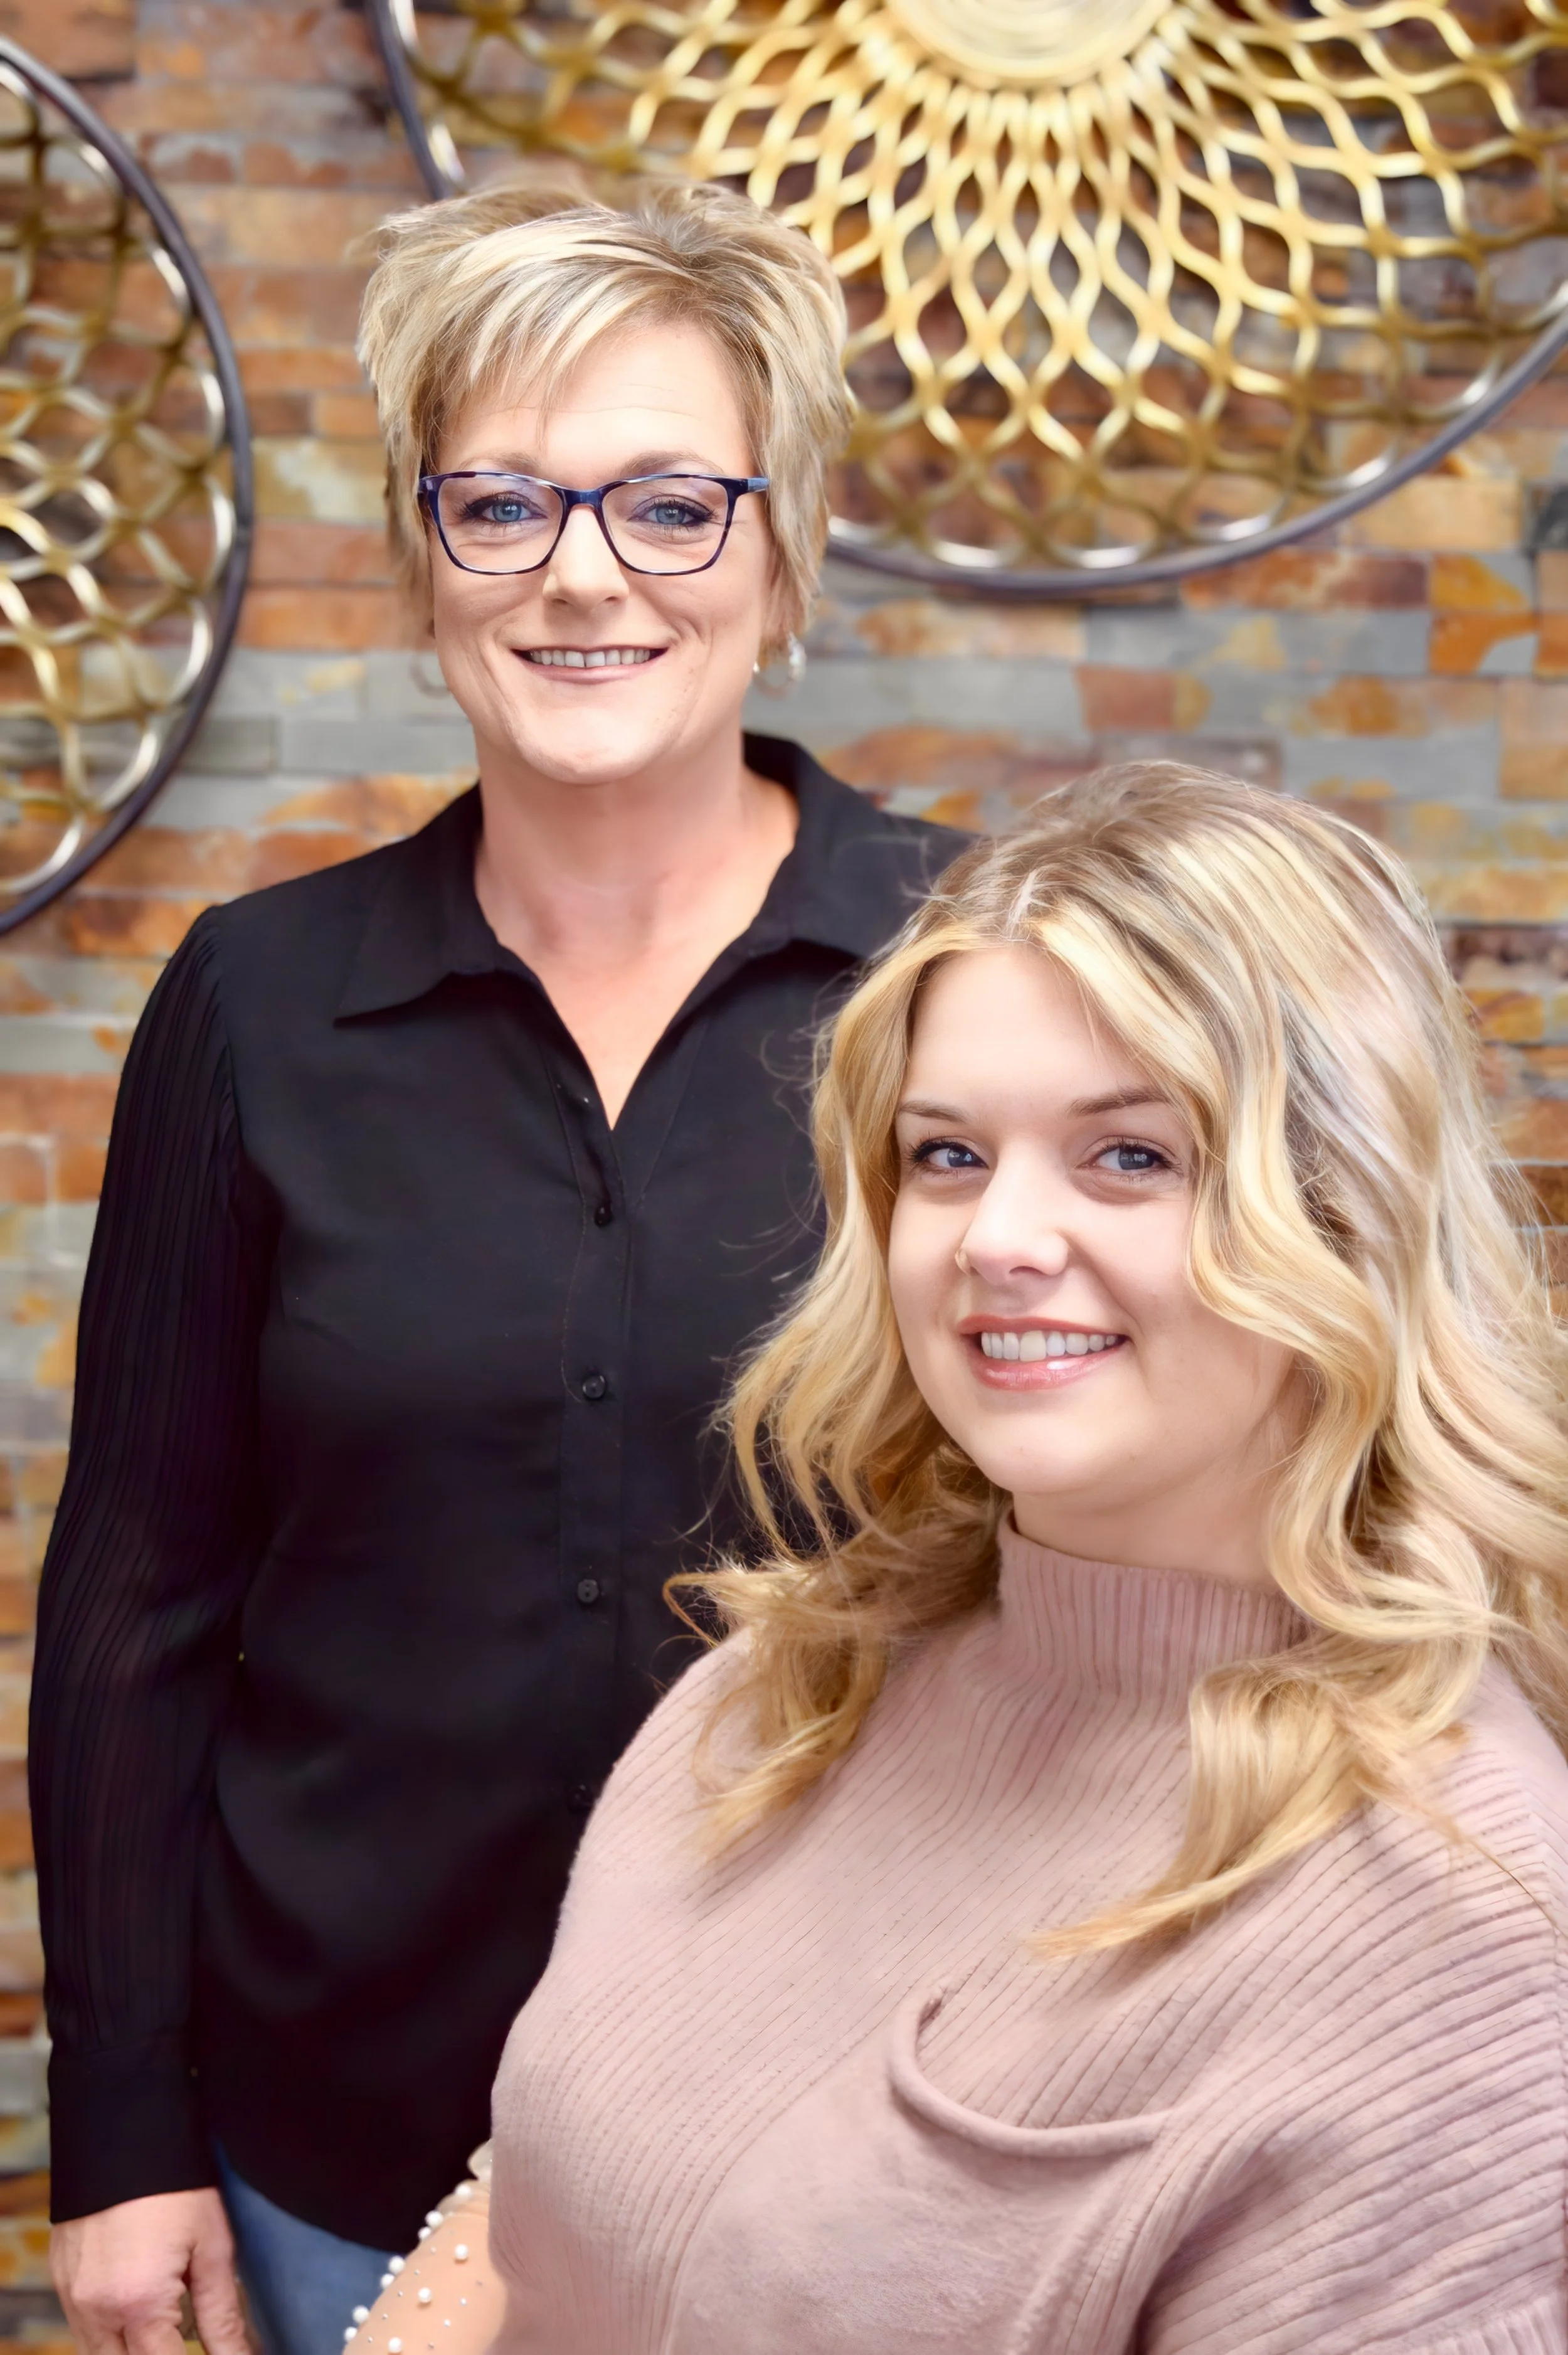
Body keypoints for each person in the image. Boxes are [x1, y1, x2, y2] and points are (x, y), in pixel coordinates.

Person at [30, 171, 964, 2355]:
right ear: (422, 554)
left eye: (668, 503)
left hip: (853, 2147)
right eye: (503, 502)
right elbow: (140, 1594)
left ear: (785, 547)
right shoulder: (257, 1003)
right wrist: (123, 2126)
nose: (580, 575)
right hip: (330, 2152)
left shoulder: (974, 973)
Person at [356, 761, 1568, 2354]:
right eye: (945, 1155)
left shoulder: (1455, 1935)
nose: (997, 1235)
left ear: (1345, 1209)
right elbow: (548, 2179)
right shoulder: (784, 1682)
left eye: (1128, 1154)